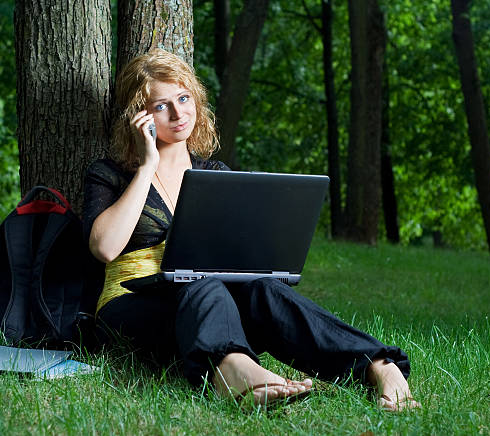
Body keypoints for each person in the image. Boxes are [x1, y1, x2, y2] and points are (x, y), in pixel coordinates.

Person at [83, 49, 420, 411]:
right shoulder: (110, 174)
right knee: (202, 281)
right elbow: (105, 248)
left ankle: (380, 367)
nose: (180, 113)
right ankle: (237, 374)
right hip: (132, 307)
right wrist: (147, 164)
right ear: (141, 116)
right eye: (163, 106)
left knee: (265, 291)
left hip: (210, 307)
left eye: (184, 98)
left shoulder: (216, 174)